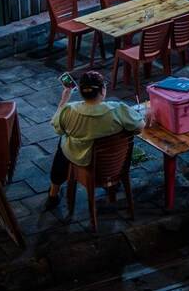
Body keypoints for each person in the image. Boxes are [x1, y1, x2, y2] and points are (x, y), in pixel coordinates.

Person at [43, 70, 144, 213]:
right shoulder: (118, 109)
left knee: (63, 142)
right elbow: (140, 128)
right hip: (112, 162)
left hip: (82, 159)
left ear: (82, 92)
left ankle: (53, 193)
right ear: (103, 90)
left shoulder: (69, 110)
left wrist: (64, 100)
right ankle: (112, 183)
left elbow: (56, 127)